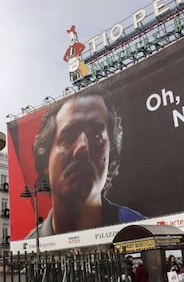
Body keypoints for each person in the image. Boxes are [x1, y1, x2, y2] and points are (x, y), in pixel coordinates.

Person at [26, 92, 144, 238]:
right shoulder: (30, 246)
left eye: (96, 136)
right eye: (68, 137)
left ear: (110, 155)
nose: (83, 147)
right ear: (45, 159)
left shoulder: (141, 230)